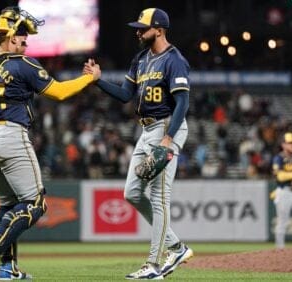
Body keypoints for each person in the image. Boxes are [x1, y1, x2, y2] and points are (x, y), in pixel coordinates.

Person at [0, 6, 97, 280]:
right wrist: (89, 78)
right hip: (11, 136)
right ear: (11, 37)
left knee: (9, 205)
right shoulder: (24, 64)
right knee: (36, 204)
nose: (26, 41)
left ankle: (7, 269)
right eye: (23, 36)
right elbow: (60, 93)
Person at [83, 7, 193, 280]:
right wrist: (98, 82)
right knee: (131, 192)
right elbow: (124, 95)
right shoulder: (141, 59)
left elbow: (183, 102)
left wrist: (168, 140)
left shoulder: (174, 60)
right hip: (146, 130)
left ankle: (154, 264)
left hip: (167, 126)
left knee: (159, 198)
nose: (138, 31)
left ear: (159, 29)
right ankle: (176, 247)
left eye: (143, 28)